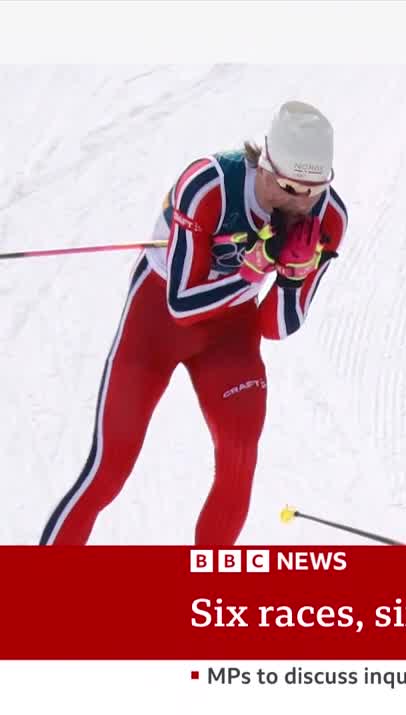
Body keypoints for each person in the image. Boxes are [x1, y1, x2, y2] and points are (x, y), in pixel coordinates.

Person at [40, 101, 349, 546]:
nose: (302, 205)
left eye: (314, 190)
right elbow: (181, 304)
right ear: (265, 166)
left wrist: (290, 279)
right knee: (109, 469)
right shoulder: (209, 185)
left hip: (231, 334)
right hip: (156, 323)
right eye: (289, 187)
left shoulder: (329, 217)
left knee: (240, 460)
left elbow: (274, 328)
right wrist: (255, 269)